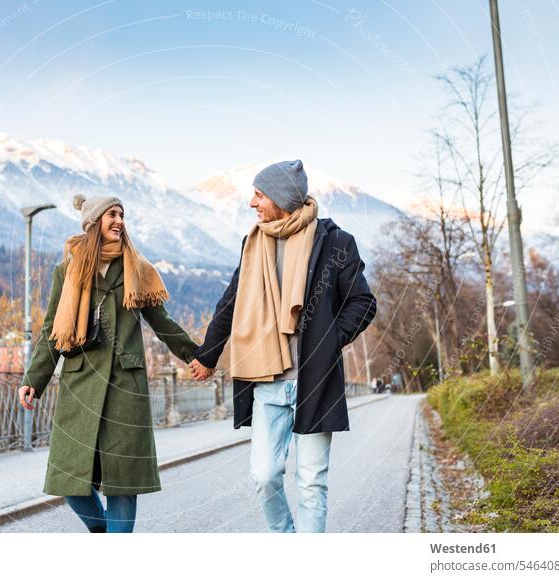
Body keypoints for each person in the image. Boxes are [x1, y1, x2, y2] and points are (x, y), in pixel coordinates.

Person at [188, 159, 377, 533]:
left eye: (258, 195)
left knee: (311, 482)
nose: (251, 203)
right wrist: (207, 355)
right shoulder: (253, 244)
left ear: (280, 197)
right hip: (267, 381)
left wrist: (331, 340)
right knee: (264, 475)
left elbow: (363, 302)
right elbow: (231, 303)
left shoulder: (335, 242)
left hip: (315, 381)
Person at [19, 194, 198, 533]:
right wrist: (34, 378)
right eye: (111, 214)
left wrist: (195, 355)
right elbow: (51, 329)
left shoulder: (137, 269)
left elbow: (163, 323)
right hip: (79, 383)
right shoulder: (67, 270)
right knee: (70, 481)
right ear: (93, 222)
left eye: (121, 214)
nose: (119, 220)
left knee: (122, 484)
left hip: (125, 388)